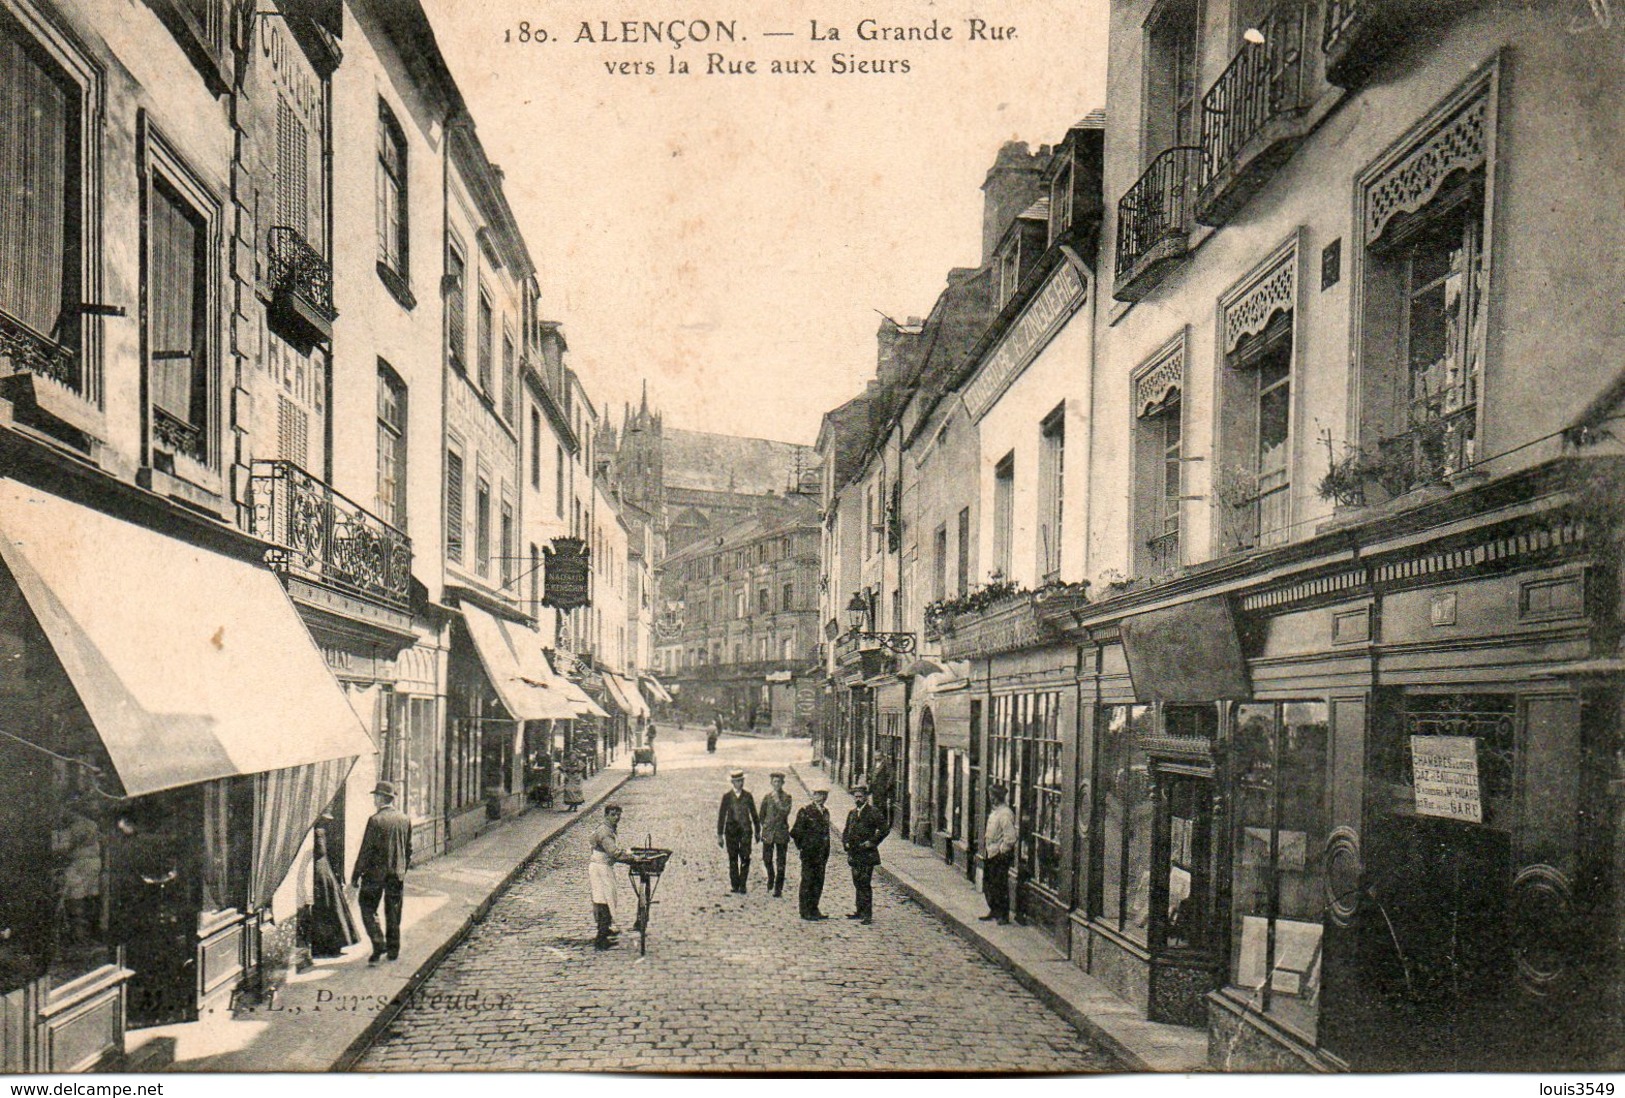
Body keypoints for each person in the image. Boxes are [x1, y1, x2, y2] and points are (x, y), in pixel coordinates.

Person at [352, 781, 412, 964]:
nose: (374, 800)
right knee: (393, 911)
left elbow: (366, 850)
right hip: (397, 874)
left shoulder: (375, 820)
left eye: (375, 797)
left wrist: (355, 875)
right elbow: (408, 849)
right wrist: (402, 869)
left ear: (380, 798)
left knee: (367, 907)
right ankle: (393, 950)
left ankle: (378, 942)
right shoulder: (405, 819)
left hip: (374, 875)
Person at [309, 823, 359, 958]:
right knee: (331, 907)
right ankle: (331, 945)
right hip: (324, 871)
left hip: (321, 873)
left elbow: (320, 851)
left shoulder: (318, 832)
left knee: (328, 907)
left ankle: (329, 945)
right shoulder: (320, 831)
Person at [588, 803, 633, 950]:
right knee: (604, 900)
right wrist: (631, 858)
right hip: (600, 869)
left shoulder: (608, 828)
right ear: (606, 815)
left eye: (618, 814)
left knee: (607, 898)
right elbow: (613, 852)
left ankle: (605, 930)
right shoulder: (605, 832)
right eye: (613, 814)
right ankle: (601, 939)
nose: (616, 817)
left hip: (603, 867)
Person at [843, 782, 887, 924]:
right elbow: (846, 831)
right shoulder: (852, 813)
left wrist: (872, 842)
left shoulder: (874, 812)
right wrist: (846, 843)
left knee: (864, 882)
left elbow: (884, 829)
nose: (858, 799)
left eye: (860, 797)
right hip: (855, 853)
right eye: (855, 797)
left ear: (866, 797)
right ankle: (859, 910)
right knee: (857, 881)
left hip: (867, 853)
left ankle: (867, 914)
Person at [790, 785, 833, 920]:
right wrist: (803, 847)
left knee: (818, 882)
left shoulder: (826, 812)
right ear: (813, 796)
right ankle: (805, 910)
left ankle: (814, 908)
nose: (821, 798)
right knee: (808, 881)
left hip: (822, 853)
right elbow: (795, 832)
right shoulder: (805, 811)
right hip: (809, 853)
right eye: (818, 795)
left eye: (824, 795)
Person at [715, 768, 759, 894]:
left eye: (741, 781)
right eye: (737, 781)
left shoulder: (748, 796)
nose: (740, 783)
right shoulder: (727, 797)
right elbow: (722, 816)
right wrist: (720, 835)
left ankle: (743, 884)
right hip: (731, 832)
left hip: (745, 831)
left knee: (745, 857)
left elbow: (754, 814)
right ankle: (735, 884)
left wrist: (757, 831)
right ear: (733, 783)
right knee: (733, 857)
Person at [979, 784, 1017, 925]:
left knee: (1000, 885)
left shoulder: (1005, 814)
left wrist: (1002, 851)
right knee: (989, 883)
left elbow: (1010, 837)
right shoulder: (996, 812)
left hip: (999, 855)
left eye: (992, 796)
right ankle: (994, 910)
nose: (990, 799)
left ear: (997, 798)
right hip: (991, 852)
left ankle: (1003, 915)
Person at [758, 772, 793, 897]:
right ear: (771, 783)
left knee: (781, 862)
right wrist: (766, 827)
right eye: (774, 782)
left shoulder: (787, 797)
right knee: (767, 859)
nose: (777, 784)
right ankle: (771, 876)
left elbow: (785, 812)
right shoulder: (767, 797)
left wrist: (777, 800)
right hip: (768, 833)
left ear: (783, 783)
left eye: (779, 782)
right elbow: (761, 815)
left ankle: (778, 888)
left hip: (781, 833)